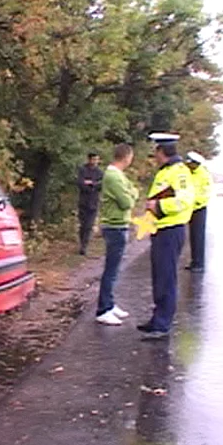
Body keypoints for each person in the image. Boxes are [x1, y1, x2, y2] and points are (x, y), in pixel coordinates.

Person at [137, 133, 195, 340]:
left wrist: (158, 205)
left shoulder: (179, 172)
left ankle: (162, 324)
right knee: (159, 277)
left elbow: (185, 200)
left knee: (166, 278)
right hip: (161, 229)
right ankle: (157, 319)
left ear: (162, 152)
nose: (154, 155)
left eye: (156, 151)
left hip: (171, 230)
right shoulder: (166, 171)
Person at [96, 143, 140, 325]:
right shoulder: (113, 176)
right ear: (127, 157)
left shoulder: (119, 175)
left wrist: (132, 193)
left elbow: (134, 191)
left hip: (119, 225)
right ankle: (103, 309)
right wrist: (131, 194)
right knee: (111, 269)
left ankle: (110, 303)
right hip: (114, 226)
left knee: (115, 269)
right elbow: (126, 202)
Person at [185, 151, 212, 273]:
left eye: (190, 163)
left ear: (196, 164)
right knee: (192, 236)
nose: (188, 165)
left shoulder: (204, 175)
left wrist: (193, 202)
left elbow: (205, 194)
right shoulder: (188, 172)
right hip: (188, 208)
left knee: (198, 236)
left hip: (198, 209)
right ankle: (194, 261)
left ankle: (199, 264)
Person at [77, 151, 104, 255]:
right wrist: (93, 185)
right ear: (89, 159)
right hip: (83, 201)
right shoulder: (83, 170)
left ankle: (84, 246)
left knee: (89, 225)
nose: (95, 162)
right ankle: (82, 242)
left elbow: (101, 185)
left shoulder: (99, 172)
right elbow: (80, 184)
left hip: (94, 202)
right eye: (93, 159)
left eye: (97, 160)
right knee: (83, 225)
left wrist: (91, 184)